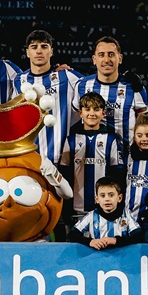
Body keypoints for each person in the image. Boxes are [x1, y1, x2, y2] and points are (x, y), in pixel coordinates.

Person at [14, 29, 82, 165]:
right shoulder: (19, 81)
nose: (39, 51)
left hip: (62, 159)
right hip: (29, 157)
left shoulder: (67, 76)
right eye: (34, 47)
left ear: (51, 51)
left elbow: (92, 86)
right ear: (27, 52)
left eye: (44, 46)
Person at [59, 91, 125, 222]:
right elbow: (64, 173)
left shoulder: (111, 139)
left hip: (103, 208)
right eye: (87, 109)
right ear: (80, 113)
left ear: (103, 113)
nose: (92, 113)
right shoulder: (71, 140)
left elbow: (118, 174)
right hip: (76, 207)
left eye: (96, 109)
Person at [73, 36, 147, 150]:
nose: (106, 59)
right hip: (91, 155)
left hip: (127, 155)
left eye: (111, 54)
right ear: (94, 59)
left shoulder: (134, 87)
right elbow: (75, 117)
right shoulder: (82, 85)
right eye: (101, 55)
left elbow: (145, 123)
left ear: (120, 58)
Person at [70, 178, 141, 248]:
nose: (107, 199)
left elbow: (138, 236)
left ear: (119, 198)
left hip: (121, 255)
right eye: (103, 196)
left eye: (111, 195)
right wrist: (90, 241)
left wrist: (116, 241)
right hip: (97, 254)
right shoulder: (91, 216)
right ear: (97, 199)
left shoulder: (126, 215)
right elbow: (72, 235)